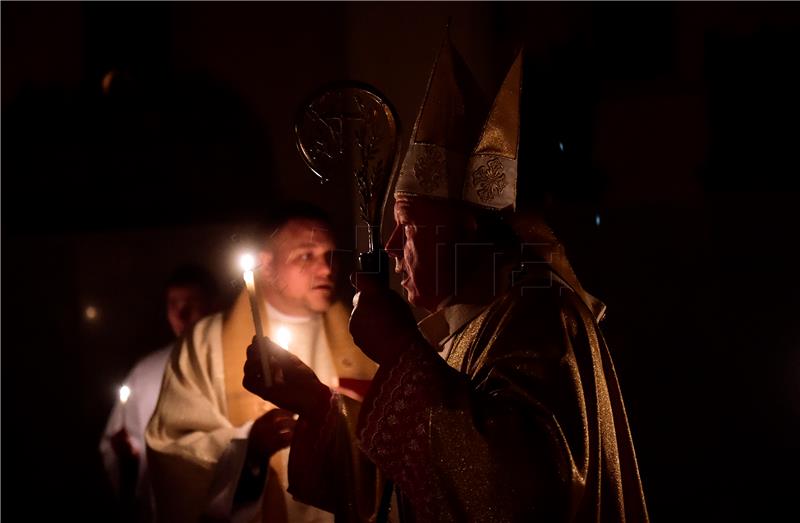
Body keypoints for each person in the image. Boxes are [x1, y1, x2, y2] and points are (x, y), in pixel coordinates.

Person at [243, 37, 649, 522]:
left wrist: (398, 349)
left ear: (468, 225)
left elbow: (515, 497)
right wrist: (316, 406)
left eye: (409, 224)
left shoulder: (540, 319)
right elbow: (402, 485)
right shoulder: (463, 328)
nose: (392, 246)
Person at [145, 203, 377, 523]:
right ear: (266, 266)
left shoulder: (364, 338)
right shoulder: (205, 344)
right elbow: (171, 449)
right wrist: (248, 446)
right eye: (306, 256)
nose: (326, 269)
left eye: (330, 256)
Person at [100, 263, 220, 522]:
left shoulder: (232, 363)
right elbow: (118, 447)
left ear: (213, 305)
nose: (182, 312)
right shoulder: (145, 371)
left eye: (191, 301)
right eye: (173, 303)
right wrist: (127, 458)